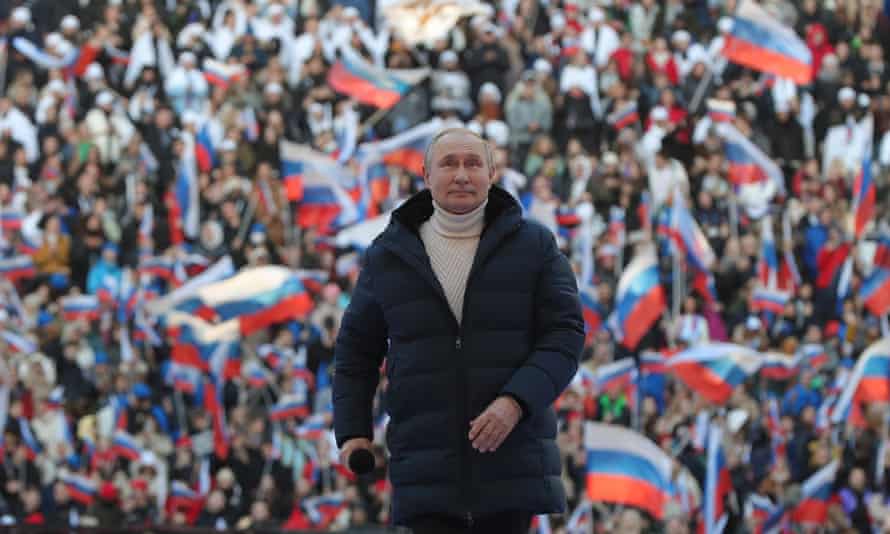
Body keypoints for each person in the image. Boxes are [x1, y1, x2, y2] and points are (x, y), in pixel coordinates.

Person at [333, 127, 585, 532]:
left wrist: (515, 402)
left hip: (511, 468)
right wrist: (352, 432)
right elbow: (354, 353)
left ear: (492, 173)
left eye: (473, 163)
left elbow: (566, 334)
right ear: (426, 175)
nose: (462, 174)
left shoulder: (535, 244)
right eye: (449, 164)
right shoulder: (388, 255)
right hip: (425, 474)